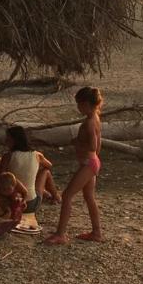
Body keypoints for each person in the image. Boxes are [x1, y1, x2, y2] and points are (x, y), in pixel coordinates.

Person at [45, 87, 104, 245]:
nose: (78, 107)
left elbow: (92, 145)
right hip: (92, 161)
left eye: (79, 104)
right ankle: (96, 232)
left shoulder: (89, 123)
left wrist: (77, 142)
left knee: (67, 195)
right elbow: (98, 145)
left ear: (86, 104)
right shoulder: (95, 118)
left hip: (89, 163)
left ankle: (60, 234)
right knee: (89, 196)